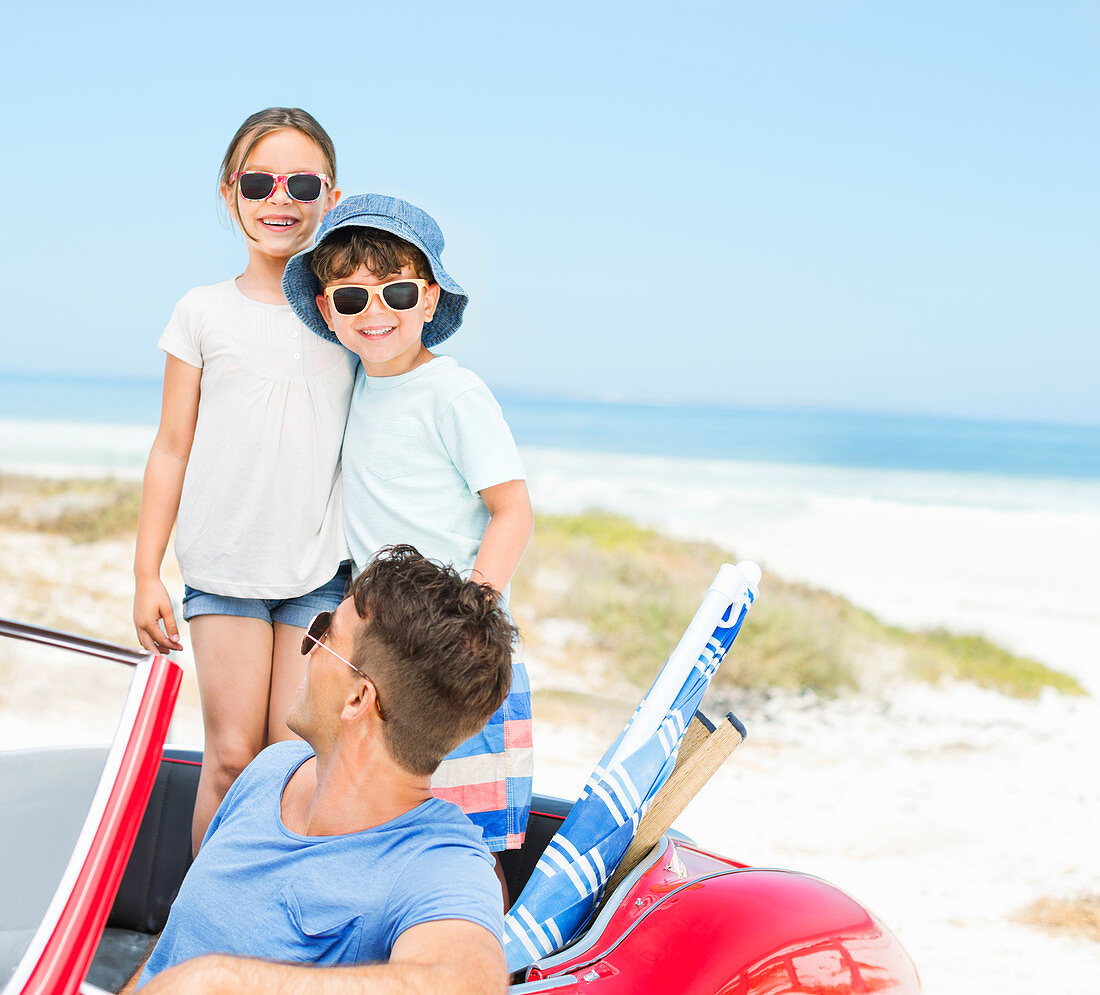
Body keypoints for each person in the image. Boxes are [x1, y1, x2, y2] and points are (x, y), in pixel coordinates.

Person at [128, 545, 514, 995]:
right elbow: (172, 950)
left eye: (323, 633)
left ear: (358, 699)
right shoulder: (271, 770)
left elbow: (472, 983)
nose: (305, 647)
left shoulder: (439, 862)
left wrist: (222, 981)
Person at [283, 195, 534, 862]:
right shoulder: (354, 386)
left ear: (427, 299)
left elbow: (512, 507)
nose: (376, 313)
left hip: (456, 649)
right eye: (352, 298)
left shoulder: (453, 393)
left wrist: (472, 611)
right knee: (390, 817)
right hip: (384, 651)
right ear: (328, 308)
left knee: (468, 835)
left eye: (395, 291)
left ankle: (482, 962)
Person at [132, 107, 354, 854]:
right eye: (259, 181)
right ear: (231, 193)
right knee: (230, 760)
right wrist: (145, 573)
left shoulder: (351, 316)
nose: (278, 198)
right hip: (223, 568)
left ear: (332, 194)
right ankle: (200, 937)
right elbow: (170, 447)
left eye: (301, 182)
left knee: (288, 761)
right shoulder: (201, 311)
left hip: (317, 575)